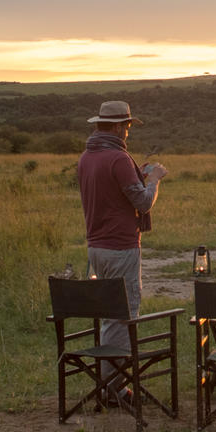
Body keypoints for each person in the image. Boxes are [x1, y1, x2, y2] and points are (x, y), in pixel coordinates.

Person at [76, 102, 166, 399]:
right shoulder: (117, 158)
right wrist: (153, 180)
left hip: (96, 248)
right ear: (116, 127)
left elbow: (112, 191)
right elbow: (142, 202)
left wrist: (135, 173)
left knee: (109, 313)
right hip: (121, 247)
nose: (128, 131)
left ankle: (109, 384)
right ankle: (114, 388)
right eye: (126, 126)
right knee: (123, 313)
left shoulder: (87, 157)